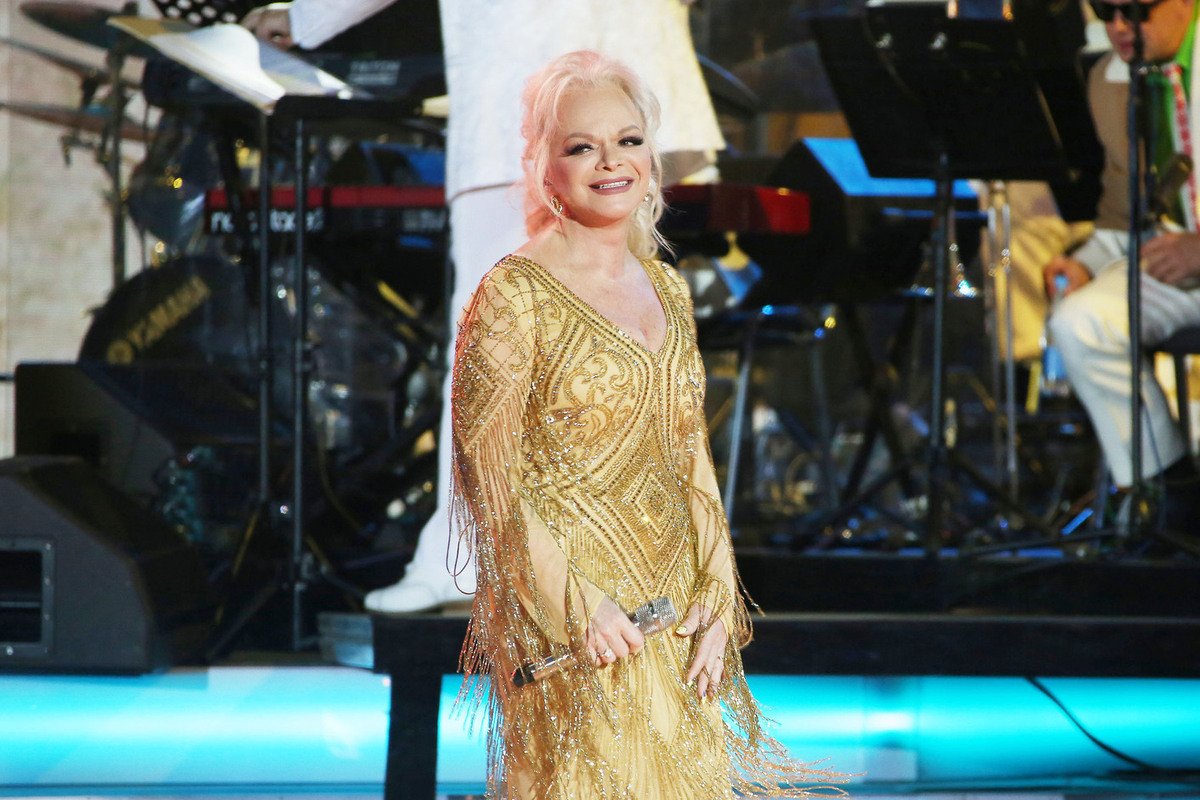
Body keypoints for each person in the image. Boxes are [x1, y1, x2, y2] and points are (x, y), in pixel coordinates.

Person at [243, 0, 725, 612]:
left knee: (500, 349)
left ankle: (472, 559)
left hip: (522, 79)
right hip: (634, 72)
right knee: (605, 339)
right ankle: (608, 559)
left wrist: (304, 19)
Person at [451, 49, 838, 800]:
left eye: (627, 140)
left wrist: (717, 592)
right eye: (582, 146)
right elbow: (488, 479)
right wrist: (574, 603)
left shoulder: (666, 287)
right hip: (574, 614)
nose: (610, 162)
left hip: (672, 604)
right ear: (544, 165)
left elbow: (689, 452)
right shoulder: (512, 296)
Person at [1044, 0, 1200, 531]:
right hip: (1174, 264)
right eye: (1105, 9)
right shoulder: (1112, 80)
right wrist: (1086, 264)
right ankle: (1172, 499)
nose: (1118, 26)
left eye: (1135, 9)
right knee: (1079, 321)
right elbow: (1121, 216)